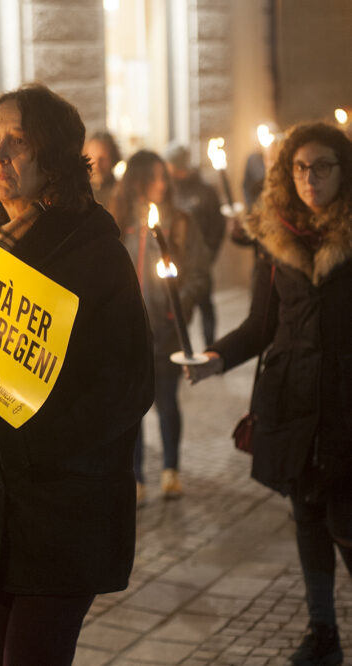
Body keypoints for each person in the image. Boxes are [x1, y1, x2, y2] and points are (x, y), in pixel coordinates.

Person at [0, 84, 153, 664]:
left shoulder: (95, 254)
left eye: (17, 142)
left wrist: (16, 421)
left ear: (54, 158)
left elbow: (127, 390)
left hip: (62, 514)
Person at [187, 122, 352, 666]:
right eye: (300, 167)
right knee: (307, 518)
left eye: (322, 166)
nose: (310, 177)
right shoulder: (277, 239)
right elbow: (261, 324)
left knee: (346, 524)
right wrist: (212, 359)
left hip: (346, 405)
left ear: (342, 170)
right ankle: (322, 631)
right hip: (293, 404)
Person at [109, 150, 207, 504]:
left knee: (166, 402)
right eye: (153, 177)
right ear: (136, 182)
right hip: (126, 335)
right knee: (131, 407)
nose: (162, 184)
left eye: (164, 176)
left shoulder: (180, 223)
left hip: (165, 332)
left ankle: (171, 470)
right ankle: (135, 476)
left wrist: (177, 303)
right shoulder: (116, 223)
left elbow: (198, 272)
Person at [165, 143, 225, 346]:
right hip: (178, 264)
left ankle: (211, 347)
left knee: (205, 303)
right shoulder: (169, 190)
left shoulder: (205, 191)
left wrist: (208, 253)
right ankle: (182, 346)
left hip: (201, 260)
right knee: (182, 305)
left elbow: (217, 225)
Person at [83, 130, 122, 209]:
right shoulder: (79, 193)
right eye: (92, 157)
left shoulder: (121, 193)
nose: (97, 164)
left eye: (103, 158)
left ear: (113, 158)